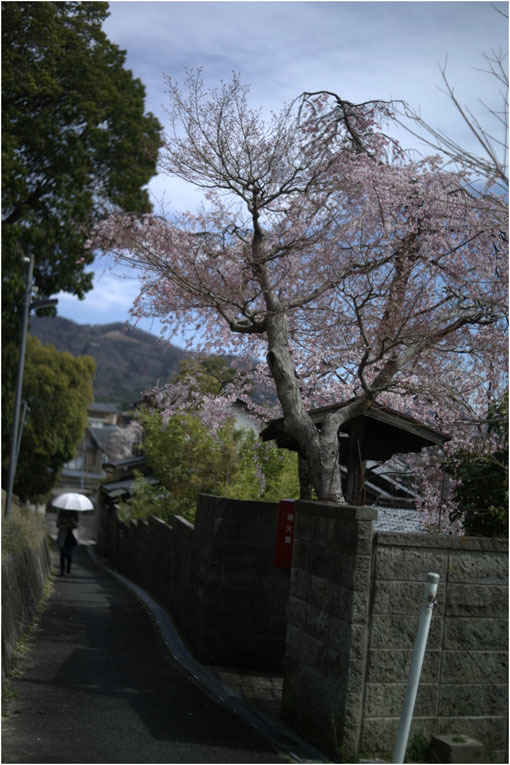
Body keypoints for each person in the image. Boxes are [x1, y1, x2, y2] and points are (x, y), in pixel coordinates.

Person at [56, 509, 80, 575]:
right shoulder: (61, 512)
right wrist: (65, 526)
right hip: (63, 536)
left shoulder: (75, 513)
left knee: (69, 554)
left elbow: (78, 524)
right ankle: (62, 570)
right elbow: (58, 524)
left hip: (72, 537)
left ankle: (68, 569)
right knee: (63, 554)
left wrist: (72, 522)